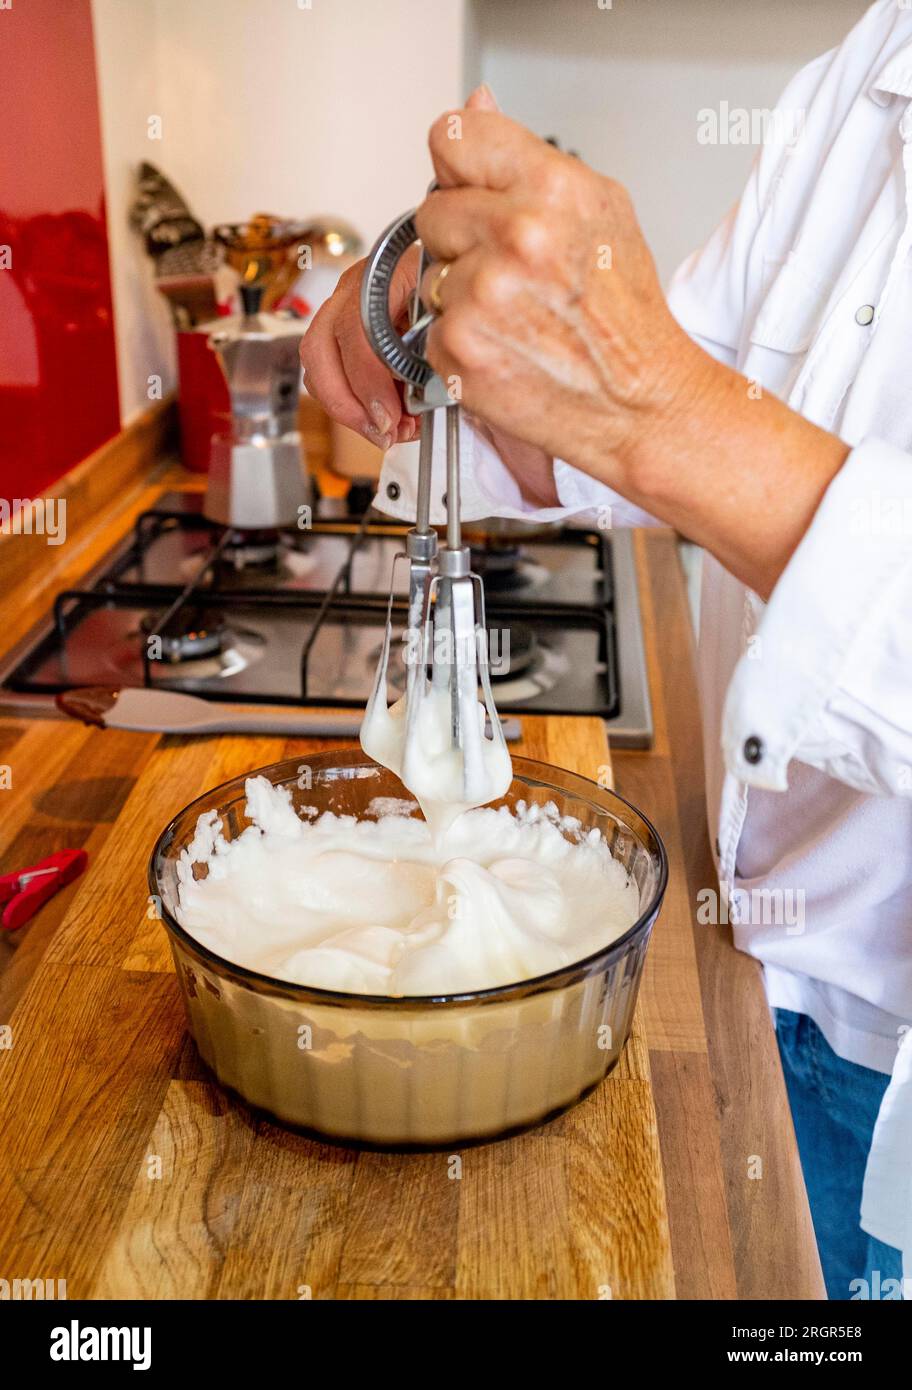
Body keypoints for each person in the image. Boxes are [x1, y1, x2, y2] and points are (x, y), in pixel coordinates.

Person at [301, 0, 912, 1298]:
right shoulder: (866, 69)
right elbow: (619, 411)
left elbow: (665, 412)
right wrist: (440, 316)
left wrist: (655, 409)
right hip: (753, 960)